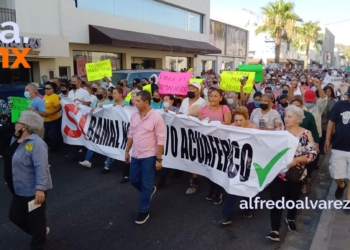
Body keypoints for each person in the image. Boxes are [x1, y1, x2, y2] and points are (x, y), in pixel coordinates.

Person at [266, 105, 317, 242]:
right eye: (285, 116)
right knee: (276, 201)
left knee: (293, 199)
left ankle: (291, 217)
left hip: (296, 174)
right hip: (279, 174)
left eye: (290, 116)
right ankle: (274, 230)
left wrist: (298, 160)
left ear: (298, 119)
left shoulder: (306, 134)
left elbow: (312, 154)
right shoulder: (279, 131)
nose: (286, 118)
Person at [4, 110, 52, 250]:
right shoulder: (16, 137)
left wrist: (40, 189)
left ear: (24, 126)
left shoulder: (38, 144)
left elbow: (42, 168)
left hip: (32, 190)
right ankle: (39, 234)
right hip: (18, 187)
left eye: (18, 122)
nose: (15, 124)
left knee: (36, 220)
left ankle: (38, 241)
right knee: (15, 216)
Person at [125, 90, 166, 224]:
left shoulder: (156, 118)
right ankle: (148, 191)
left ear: (146, 102)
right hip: (136, 154)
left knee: (146, 182)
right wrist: (127, 151)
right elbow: (131, 133)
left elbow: (161, 140)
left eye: (138, 101)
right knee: (133, 179)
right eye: (134, 100)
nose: (134, 103)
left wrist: (159, 159)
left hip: (149, 156)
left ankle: (143, 211)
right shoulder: (134, 116)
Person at [221, 106, 257, 225]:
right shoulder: (232, 127)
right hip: (235, 162)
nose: (238, 123)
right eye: (236, 120)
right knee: (232, 186)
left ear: (246, 119)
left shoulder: (254, 129)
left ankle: (248, 208)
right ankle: (228, 215)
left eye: (241, 120)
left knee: (247, 186)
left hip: (248, 163)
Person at [197, 89, 232, 204]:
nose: (212, 98)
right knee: (208, 168)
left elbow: (228, 123)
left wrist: (213, 122)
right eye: (211, 96)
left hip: (220, 144)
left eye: (215, 96)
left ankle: (218, 191)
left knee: (218, 168)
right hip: (206, 143)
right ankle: (212, 190)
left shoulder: (224, 108)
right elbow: (197, 122)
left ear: (221, 98)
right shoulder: (203, 109)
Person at [325, 86, 350, 214]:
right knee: (336, 174)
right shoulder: (340, 105)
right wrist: (327, 139)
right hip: (339, 146)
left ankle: (348, 200)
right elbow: (331, 121)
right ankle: (341, 185)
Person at [178, 82, 207, 194]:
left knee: (195, 155)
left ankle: (194, 181)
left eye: (192, 88)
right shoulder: (185, 100)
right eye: (189, 88)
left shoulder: (202, 102)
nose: (189, 90)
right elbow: (181, 112)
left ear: (198, 91)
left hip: (196, 132)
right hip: (183, 130)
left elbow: (203, 117)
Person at [42, 81, 63, 152]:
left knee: (55, 135)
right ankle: (51, 147)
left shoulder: (55, 96)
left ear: (53, 89)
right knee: (47, 135)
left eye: (48, 88)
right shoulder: (45, 96)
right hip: (46, 120)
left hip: (54, 120)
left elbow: (59, 108)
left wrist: (49, 114)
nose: (46, 90)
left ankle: (58, 149)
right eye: (45, 88)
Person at [319, 86, 337, 154]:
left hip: (331, 122)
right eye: (326, 92)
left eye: (329, 92)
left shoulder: (334, 101)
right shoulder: (321, 100)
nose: (327, 93)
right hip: (322, 123)